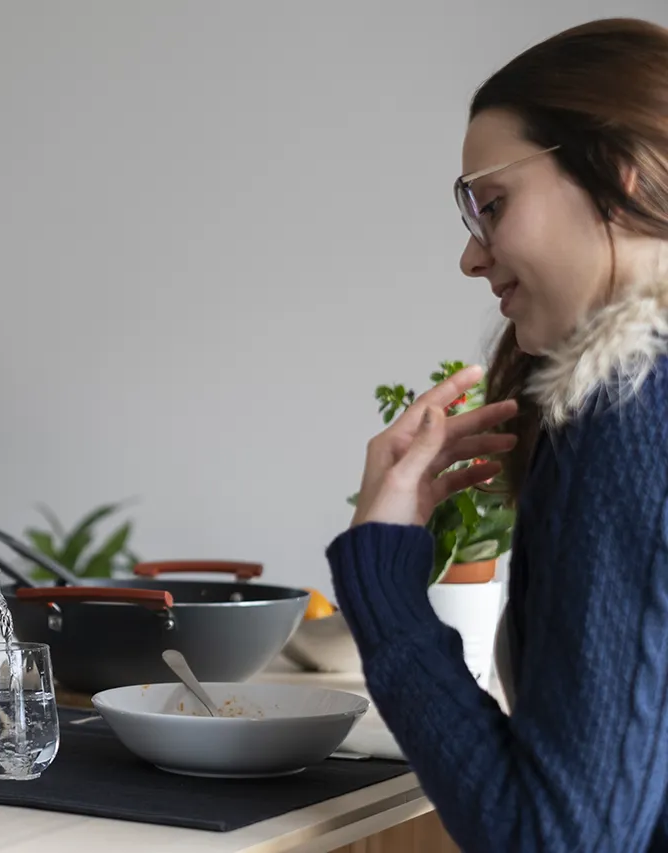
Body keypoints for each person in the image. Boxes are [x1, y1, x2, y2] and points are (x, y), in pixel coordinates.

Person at [330, 17, 668, 852]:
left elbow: (551, 839)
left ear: (615, 179)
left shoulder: (632, 413)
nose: (471, 258)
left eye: (493, 204)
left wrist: (383, 574)